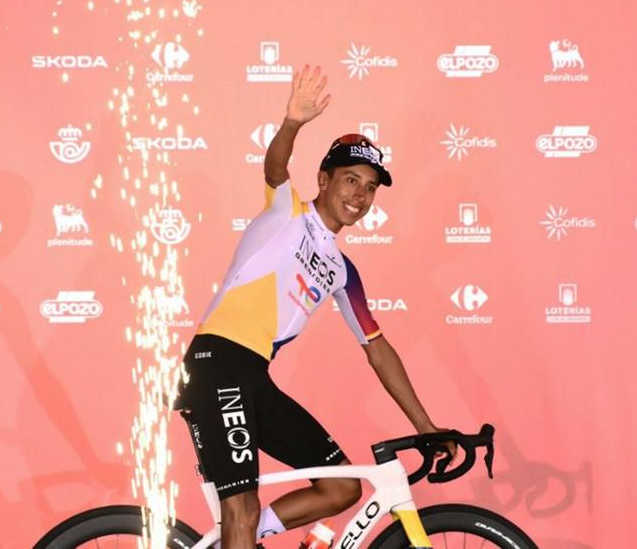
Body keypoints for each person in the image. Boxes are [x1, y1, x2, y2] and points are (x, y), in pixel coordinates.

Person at [176, 65, 456, 549]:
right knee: (238, 507)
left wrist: (426, 427)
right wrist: (292, 124)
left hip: (253, 375)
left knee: (341, 485)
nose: (360, 195)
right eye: (351, 180)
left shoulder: (344, 271)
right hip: (218, 362)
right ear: (324, 179)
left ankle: (240, 538)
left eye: (370, 187)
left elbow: (379, 350)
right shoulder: (289, 212)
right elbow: (274, 168)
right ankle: (239, 531)